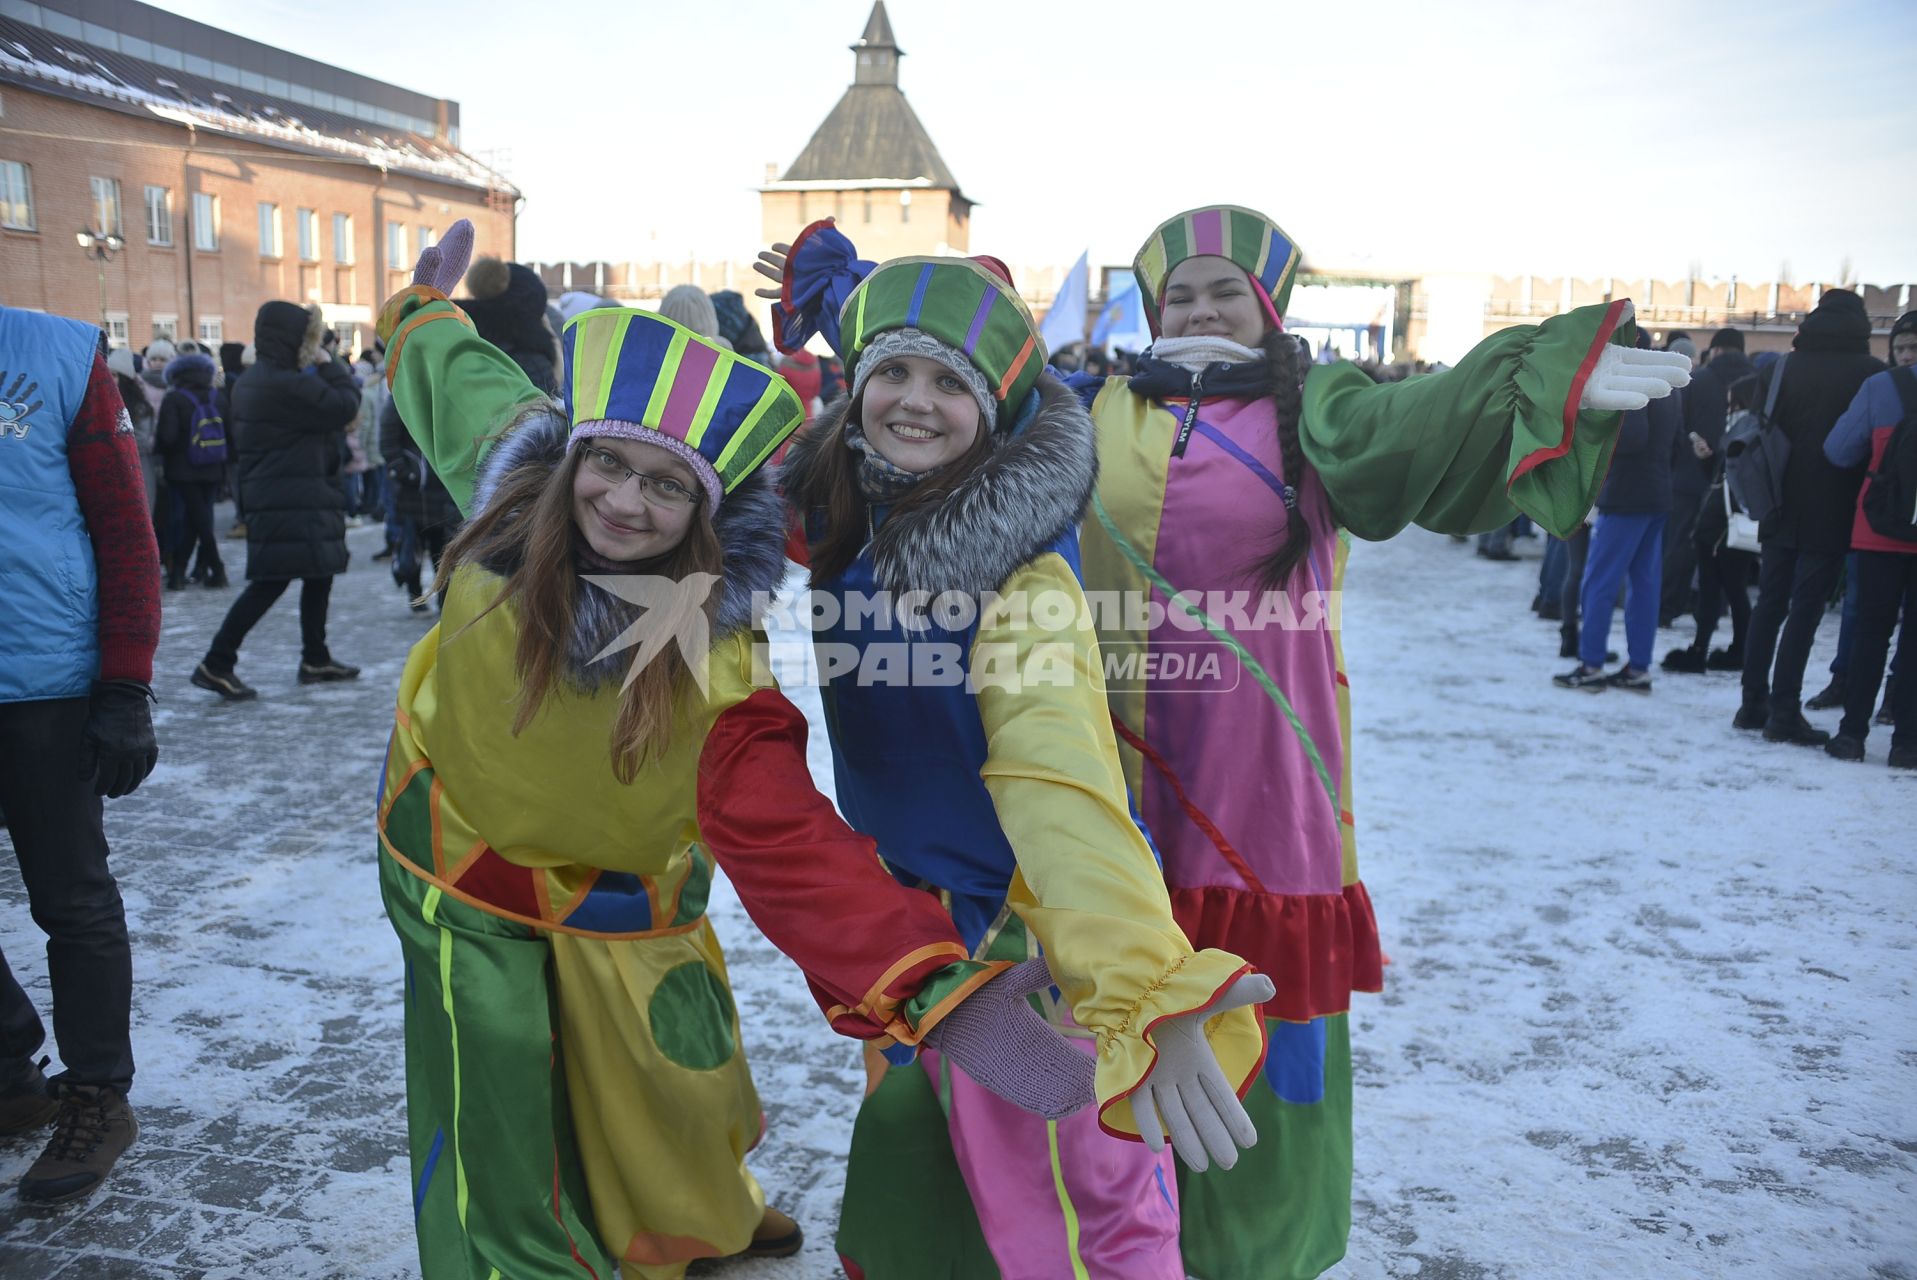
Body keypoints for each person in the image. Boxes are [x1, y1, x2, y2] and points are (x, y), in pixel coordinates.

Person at [374, 225, 1099, 1279]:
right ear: (571, 453)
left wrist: (935, 987)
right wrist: (417, 312)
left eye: (665, 487)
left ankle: (693, 1212)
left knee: (675, 1069)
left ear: (706, 515)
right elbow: (450, 375)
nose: (625, 501)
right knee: (494, 1082)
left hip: (626, 878)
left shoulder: (711, 666)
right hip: (458, 856)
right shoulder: (511, 473)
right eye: (609, 465)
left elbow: (789, 837)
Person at [1073, 205, 1683, 1278]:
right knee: (1121, 985)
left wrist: (1529, 380)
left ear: (1266, 307)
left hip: (1266, 768)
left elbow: (1417, 428)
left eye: (1226, 291)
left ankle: (1261, 1248)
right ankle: (1126, 1239)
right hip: (1112, 760)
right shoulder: (1095, 414)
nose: (1203, 309)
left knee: (1265, 1017)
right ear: (1153, 311)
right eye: (1183, 294)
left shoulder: (1323, 412)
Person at [764, 228, 1271, 1280]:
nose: (912, 398)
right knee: (930, 1208)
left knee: (1073, 1225)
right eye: (889, 370)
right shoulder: (852, 504)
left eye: (949, 381)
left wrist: (1138, 985)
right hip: (909, 940)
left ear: (994, 413)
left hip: (1027, 945)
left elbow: (1062, 783)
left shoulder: (1022, 581)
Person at [0, 303, 160, 1204]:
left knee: (72, 899)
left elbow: (125, 530)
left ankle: (98, 1098)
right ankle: (11, 1073)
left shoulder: (56, 353)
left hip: (44, 681)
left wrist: (126, 684)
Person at [190, 302, 362, 701]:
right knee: (270, 581)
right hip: (291, 495)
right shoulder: (284, 382)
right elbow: (344, 404)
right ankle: (216, 662)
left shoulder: (258, 379)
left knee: (318, 574)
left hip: (291, 492)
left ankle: (315, 657)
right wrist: (327, 359)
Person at [1736, 290, 1886, 744]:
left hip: (1778, 499)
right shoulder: (1872, 375)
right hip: (1835, 506)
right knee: (1805, 609)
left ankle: (1752, 702)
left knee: (1769, 603)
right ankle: (1784, 712)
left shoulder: (1781, 367)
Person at [1556, 332, 1682, 691]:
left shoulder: (1629, 382)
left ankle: (1591, 665)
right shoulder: (1667, 383)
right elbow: (1677, 444)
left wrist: (1592, 428)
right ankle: (1638, 667)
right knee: (1644, 585)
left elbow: (1632, 438)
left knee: (1599, 582)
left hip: (1626, 496)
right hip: (1657, 494)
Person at [1821, 309, 1917, 767]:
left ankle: (1852, 734)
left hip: (1878, 533)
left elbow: (1838, 451)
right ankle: (1907, 743)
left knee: (1869, 635)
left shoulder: (1881, 387)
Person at [153, 346, 230, 589]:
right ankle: (182, 573)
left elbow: (167, 437)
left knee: (198, 520)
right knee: (199, 519)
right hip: (214, 466)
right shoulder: (218, 396)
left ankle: (216, 569)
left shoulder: (174, 398)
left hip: (182, 470)